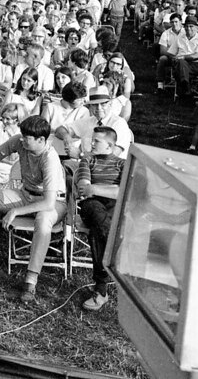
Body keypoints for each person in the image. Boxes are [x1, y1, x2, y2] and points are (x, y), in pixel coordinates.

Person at [0, 115, 67, 303]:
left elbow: (49, 203)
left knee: (43, 221)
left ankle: (30, 280)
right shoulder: (21, 142)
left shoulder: (49, 159)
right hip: (25, 194)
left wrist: (15, 211)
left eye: (27, 138)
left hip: (52, 202)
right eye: (22, 136)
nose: (21, 140)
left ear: (41, 140)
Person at [74, 127, 125, 312]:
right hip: (91, 205)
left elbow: (125, 191)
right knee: (98, 215)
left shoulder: (123, 164)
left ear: (110, 145)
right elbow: (83, 189)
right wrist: (104, 191)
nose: (92, 144)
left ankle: (101, 288)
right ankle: (116, 253)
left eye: (97, 141)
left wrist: (95, 189)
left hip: (113, 207)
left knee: (98, 231)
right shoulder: (88, 159)